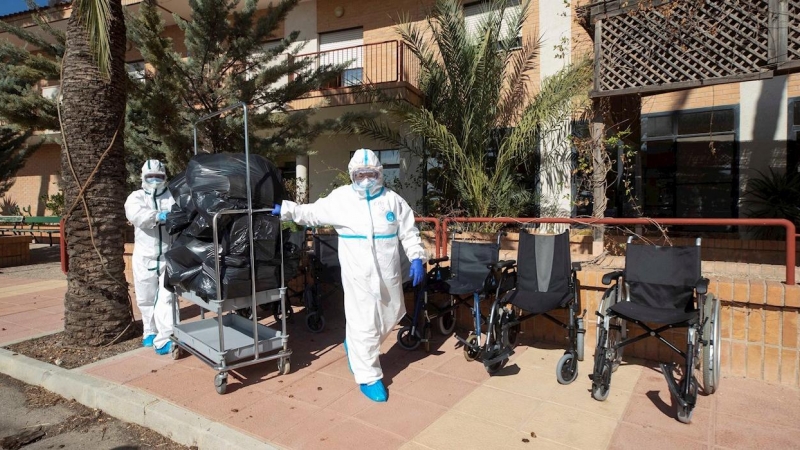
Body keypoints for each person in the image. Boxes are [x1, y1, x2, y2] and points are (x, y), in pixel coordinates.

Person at [277, 149, 426, 402]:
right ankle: (369, 375)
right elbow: (311, 213)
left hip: (388, 276)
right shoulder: (341, 199)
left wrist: (416, 257)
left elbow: (409, 232)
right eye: (361, 174)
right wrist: (286, 209)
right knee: (365, 323)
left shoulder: (393, 201)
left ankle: (355, 346)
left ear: (379, 173)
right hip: (358, 276)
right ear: (352, 175)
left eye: (371, 174)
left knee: (391, 316)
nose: (366, 178)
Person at [124, 160, 176, 355]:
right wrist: (158, 216)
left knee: (167, 297)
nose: (155, 181)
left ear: (165, 178)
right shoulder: (135, 197)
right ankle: (150, 330)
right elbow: (136, 215)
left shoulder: (172, 197)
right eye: (150, 177)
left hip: (167, 256)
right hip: (144, 256)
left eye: (159, 177)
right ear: (142, 177)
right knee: (146, 296)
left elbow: (180, 214)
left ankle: (167, 336)